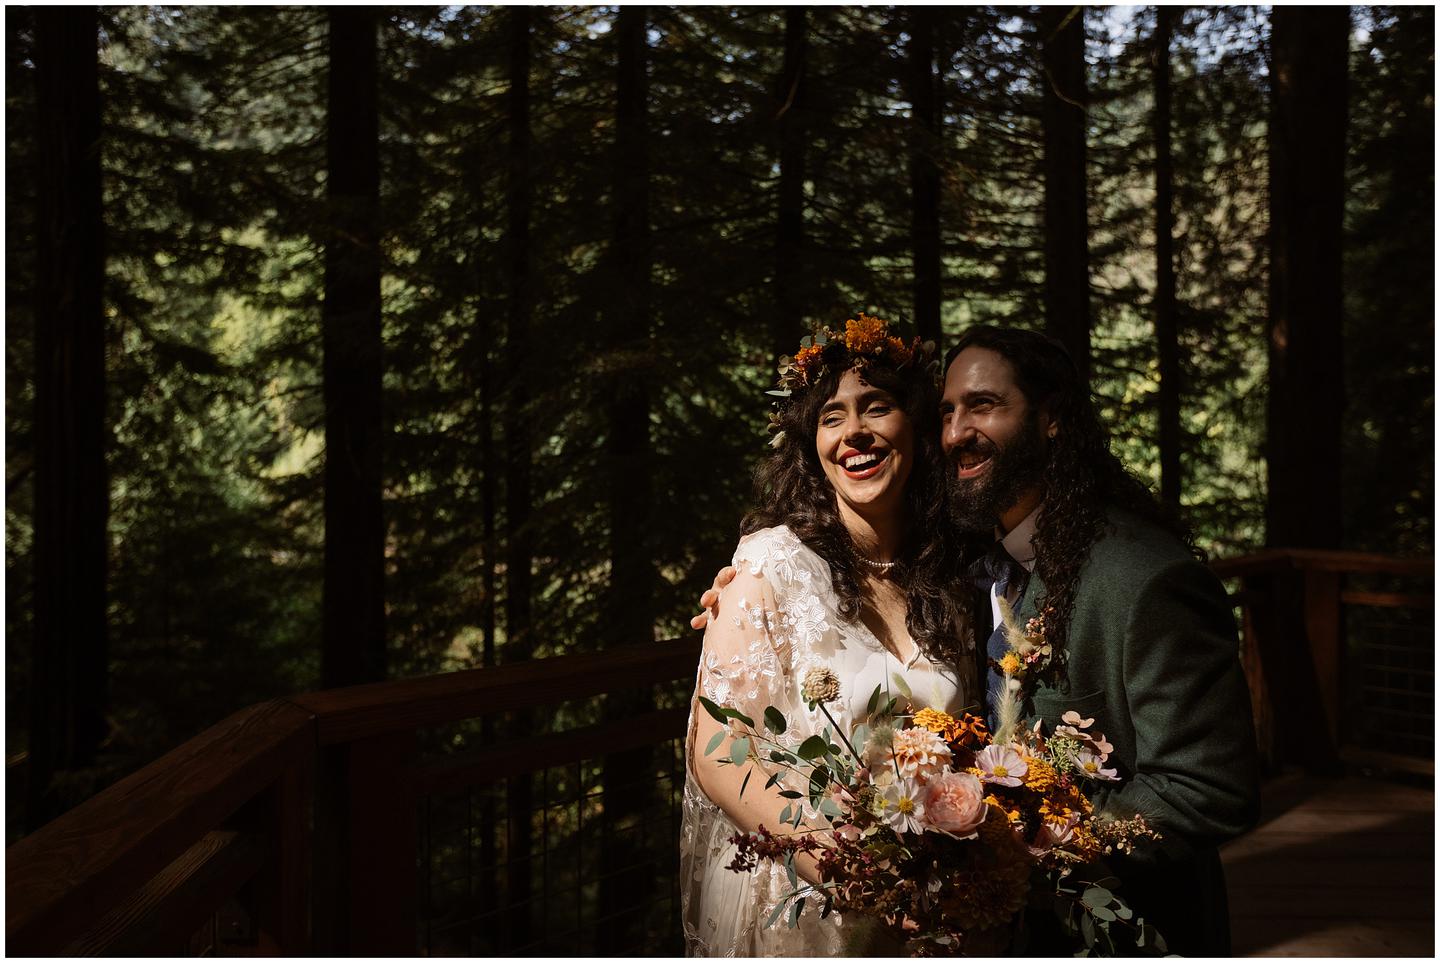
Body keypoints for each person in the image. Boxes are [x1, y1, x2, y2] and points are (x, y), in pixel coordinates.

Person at [697, 325, 1261, 956]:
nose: (958, 430)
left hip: (1120, 932)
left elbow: (1210, 788)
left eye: (984, 405)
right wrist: (744, 599)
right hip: (859, 910)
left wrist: (1024, 844)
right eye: (947, 411)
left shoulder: (1142, 577)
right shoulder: (968, 564)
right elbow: (722, 751)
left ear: (1050, 419)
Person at [680, 315, 978, 957]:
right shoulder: (767, 566)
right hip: (811, 910)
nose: (856, 433)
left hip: (930, 904)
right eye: (832, 417)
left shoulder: (951, 576)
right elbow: (716, 754)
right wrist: (851, 875)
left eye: (877, 407)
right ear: (811, 442)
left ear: (918, 428)